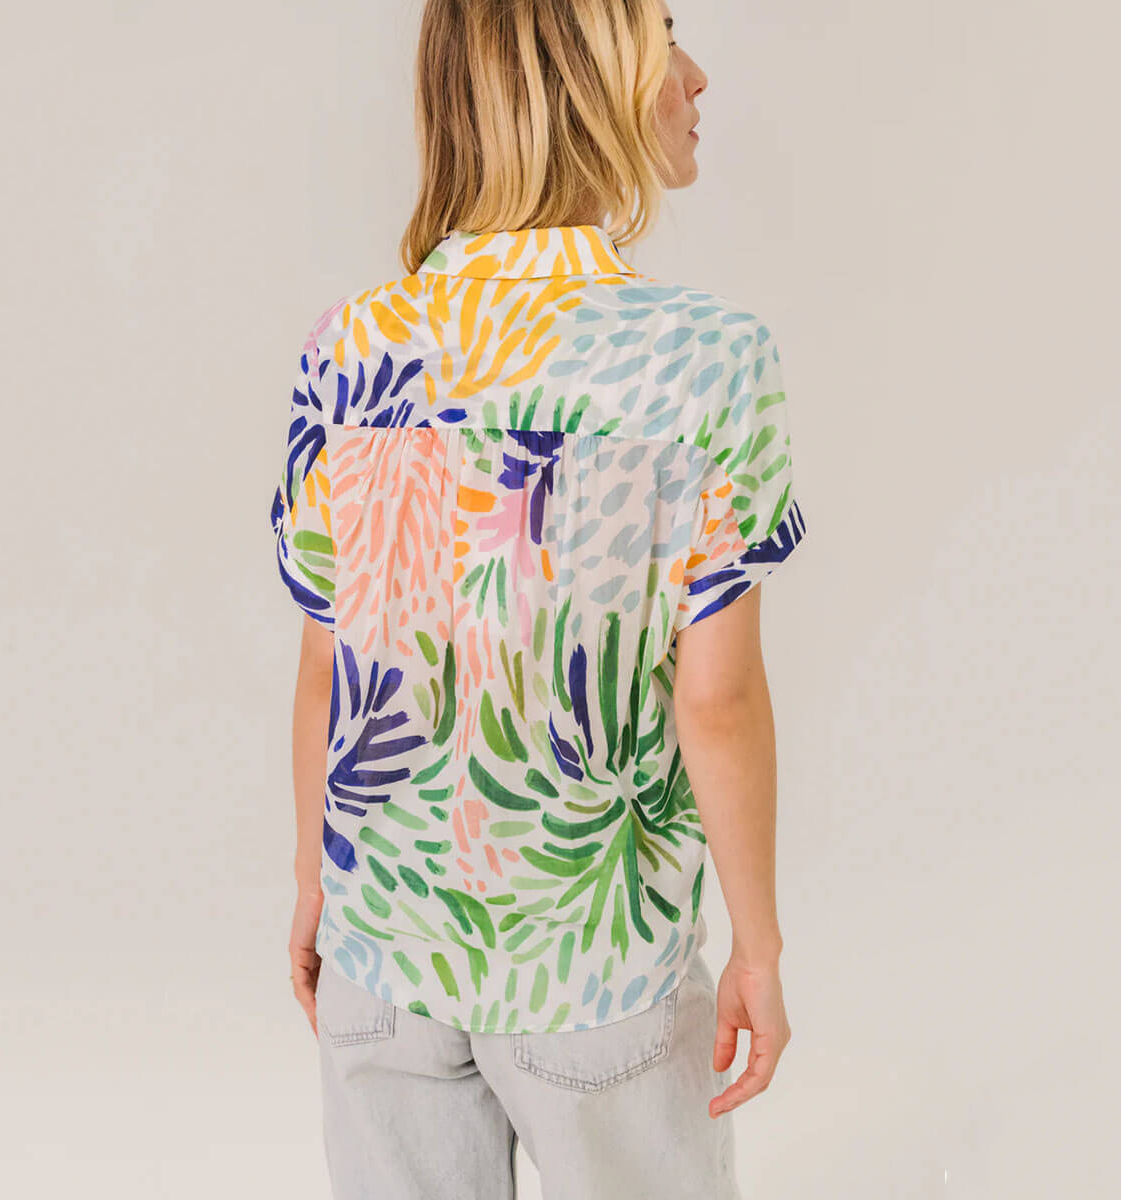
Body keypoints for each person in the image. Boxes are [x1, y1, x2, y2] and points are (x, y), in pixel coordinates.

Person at [269, 1, 808, 1196]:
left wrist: (312, 884)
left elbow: (328, 668)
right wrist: (759, 946)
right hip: (597, 971)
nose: (696, 75)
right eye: (664, 34)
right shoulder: (707, 362)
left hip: (382, 959)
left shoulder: (348, 350)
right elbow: (714, 702)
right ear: (587, 79)